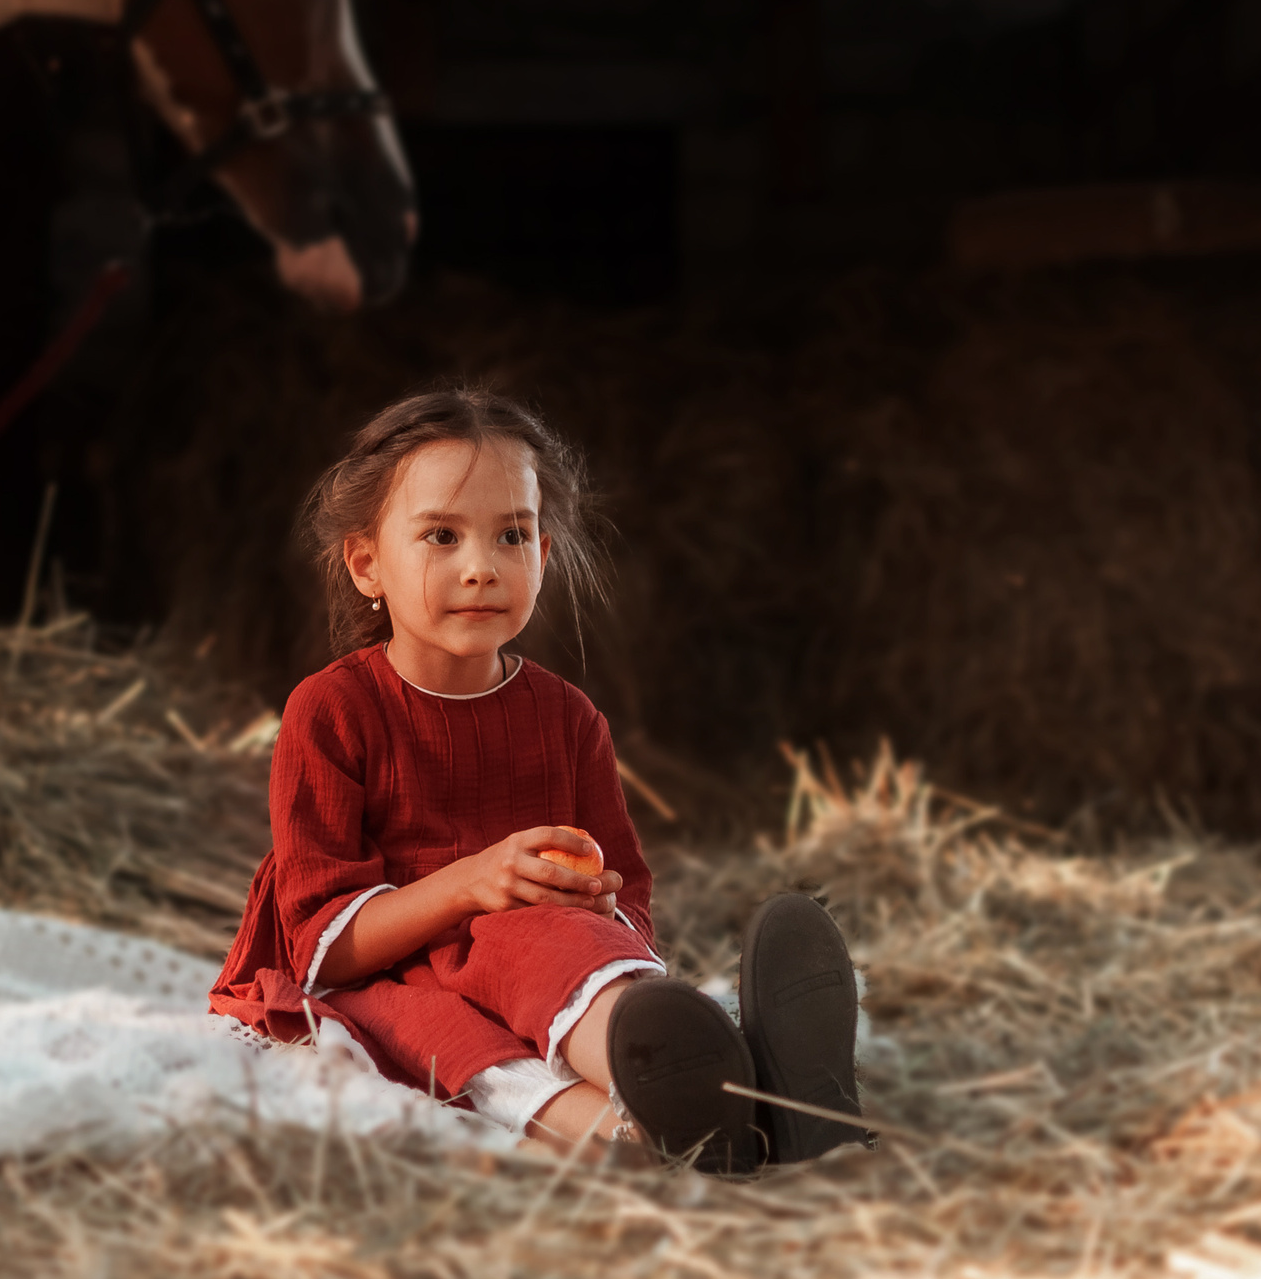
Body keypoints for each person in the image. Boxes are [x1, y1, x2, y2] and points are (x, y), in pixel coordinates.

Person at [210, 387, 868, 1170]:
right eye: (443, 535)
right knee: (441, 1038)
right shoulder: (331, 711)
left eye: (513, 535)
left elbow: (627, 897)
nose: (483, 567)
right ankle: (674, 1127)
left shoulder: (568, 717)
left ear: (544, 557)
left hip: (538, 964)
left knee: (548, 941)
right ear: (366, 563)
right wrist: (472, 881)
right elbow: (324, 945)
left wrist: (599, 904)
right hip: (384, 974)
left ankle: (727, 1094)